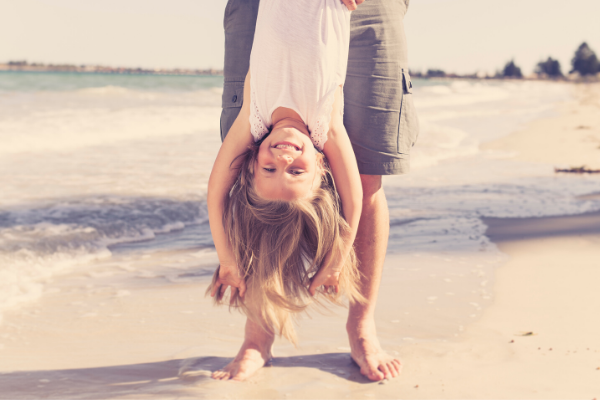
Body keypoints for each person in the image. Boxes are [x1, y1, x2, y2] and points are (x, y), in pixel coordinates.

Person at [214, 0, 418, 382]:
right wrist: (334, 260)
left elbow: (359, 195)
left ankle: (361, 326)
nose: (282, 157)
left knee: (367, 174)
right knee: (257, 187)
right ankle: (257, 333)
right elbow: (227, 188)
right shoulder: (321, 121)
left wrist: (228, 260)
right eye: (290, 166)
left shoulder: (264, 115)